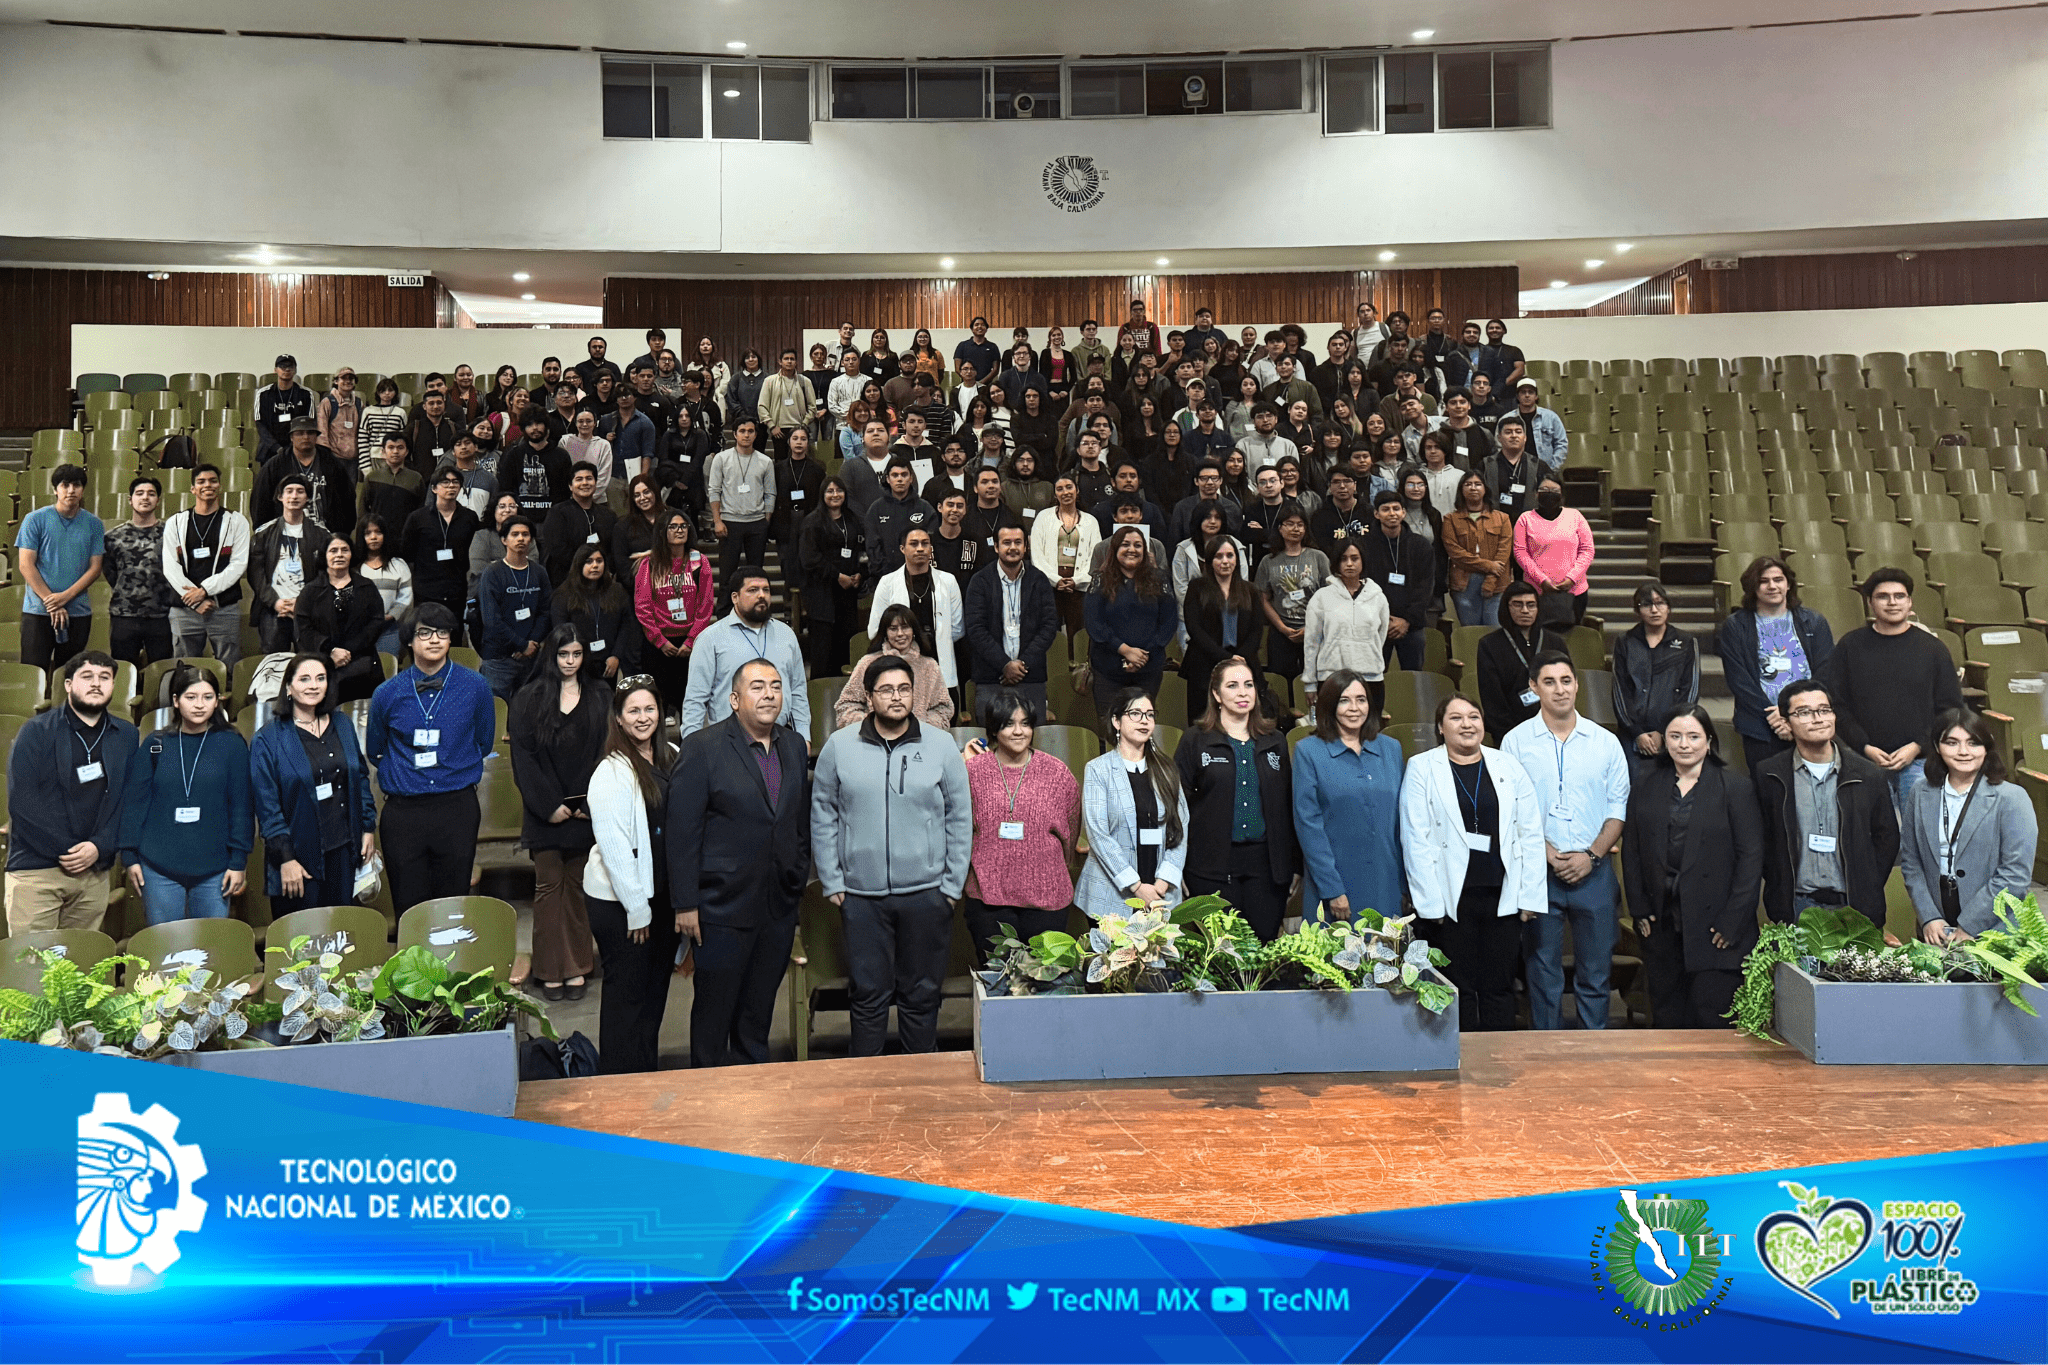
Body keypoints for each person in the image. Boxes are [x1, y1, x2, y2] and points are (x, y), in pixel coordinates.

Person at [811, 651, 973, 1055]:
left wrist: (951, 886)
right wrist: (832, 878)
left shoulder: (940, 746)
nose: (896, 697)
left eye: (904, 689)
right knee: (867, 997)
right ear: (869, 697)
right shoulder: (839, 746)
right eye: (886, 690)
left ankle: (923, 1086)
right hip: (861, 897)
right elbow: (823, 813)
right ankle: (867, 1086)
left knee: (921, 997)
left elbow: (959, 816)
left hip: (926, 893)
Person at [659, 658, 811, 1068]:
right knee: (713, 1016)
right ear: (734, 699)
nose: (769, 695)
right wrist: (685, 902)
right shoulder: (703, 748)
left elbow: (798, 823)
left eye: (776, 686)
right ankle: (709, 1105)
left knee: (757, 1015)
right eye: (758, 686)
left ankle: (753, 1101)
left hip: (777, 907)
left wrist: (796, 878)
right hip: (720, 908)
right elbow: (682, 832)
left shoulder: (794, 746)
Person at [1401, 692, 1547, 1031]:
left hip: (1503, 896)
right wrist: (1430, 904)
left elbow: (1530, 832)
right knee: (1458, 988)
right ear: (1440, 727)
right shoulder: (1422, 767)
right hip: (1451, 898)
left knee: (1499, 987)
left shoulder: (1507, 764)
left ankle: (1499, 1067)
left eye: (1474, 717)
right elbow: (1416, 839)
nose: (1466, 724)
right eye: (1456, 718)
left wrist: (1530, 896)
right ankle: (1460, 1064)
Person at [1502, 652, 1630, 1030]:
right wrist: (1545, 853)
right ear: (1533, 687)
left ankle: (1594, 1050)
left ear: (1576, 684)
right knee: (1542, 975)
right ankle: (1546, 1054)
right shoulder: (1515, 742)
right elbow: (1509, 809)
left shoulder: (1605, 743)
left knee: (1596, 972)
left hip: (1594, 871)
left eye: (1566, 680)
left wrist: (1591, 855)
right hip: (1539, 873)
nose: (1560, 689)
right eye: (1549, 682)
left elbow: (1617, 810)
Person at [1620, 706, 1765, 1030]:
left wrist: (1732, 922)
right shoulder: (1646, 784)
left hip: (1717, 929)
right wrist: (1639, 908)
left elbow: (1750, 860)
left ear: (1709, 740)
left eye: (1693, 736)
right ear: (1664, 741)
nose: (1684, 744)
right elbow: (1632, 849)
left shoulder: (1736, 788)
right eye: (1675, 736)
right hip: (1663, 924)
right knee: (1668, 1017)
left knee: (1710, 1016)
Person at [365, 603, 496, 914]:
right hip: (404, 812)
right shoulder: (387, 692)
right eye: (424, 632)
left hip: (457, 808)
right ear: (409, 640)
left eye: (442, 632)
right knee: (409, 908)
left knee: (452, 907)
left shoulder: (475, 686)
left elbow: (483, 740)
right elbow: (376, 750)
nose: (435, 639)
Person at [583, 678, 678, 1074]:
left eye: (649, 709)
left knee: (654, 995)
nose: (643, 718)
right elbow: (615, 847)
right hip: (620, 903)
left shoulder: (672, 754)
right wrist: (637, 909)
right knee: (627, 999)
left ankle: (645, 1078)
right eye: (633, 711)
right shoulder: (611, 772)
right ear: (619, 720)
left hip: (662, 895)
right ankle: (617, 1085)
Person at [509, 626, 609, 1002]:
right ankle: (552, 970)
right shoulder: (529, 697)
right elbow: (524, 759)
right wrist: (548, 806)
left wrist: (588, 803)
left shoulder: (600, 695)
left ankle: (579, 966)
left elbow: (605, 752)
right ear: (551, 656)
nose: (570, 662)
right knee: (549, 889)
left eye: (576, 655)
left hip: (586, 810)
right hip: (544, 812)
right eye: (563, 655)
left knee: (580, 890)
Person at [4, 652, 135, 933]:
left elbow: (127, 800)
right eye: (87, 677)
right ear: (67, 685)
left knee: (81, 967)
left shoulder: (126, 735)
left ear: (113, 685)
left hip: (94, 874)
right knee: (31, 970)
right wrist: (70, 852)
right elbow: (22, 802)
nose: (96, 684)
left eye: (104, 678)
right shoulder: (36, 731)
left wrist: (99, 846)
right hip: (37, 871)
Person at [1756, 677, 1900, 928]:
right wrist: (1779, 882)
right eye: (1804, 712)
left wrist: (1866, 884)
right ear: (1786, 721)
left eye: (1824, 710)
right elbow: (1762, 839)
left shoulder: (1867, 774)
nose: (1818, 718)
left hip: (1855, 906)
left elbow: (1887, 838)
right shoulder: (1769, 774)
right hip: (1796, 905)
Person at [110, 662, 248, 924]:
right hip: (158, 866)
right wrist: (129, 856)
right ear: (176, 700)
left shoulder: (232, 744)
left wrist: (238, 860)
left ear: (218, 701)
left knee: (211, 950)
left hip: (215, 867)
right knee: (166, 949)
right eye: (191, 697)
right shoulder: (156, 744)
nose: (199, 705)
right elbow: (135, 802)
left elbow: (240, 806)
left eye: (208, 697)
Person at [1175, 657, 1298, 942]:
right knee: (1220, 959)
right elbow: (1175, 806)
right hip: (1210, 867)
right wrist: (1175, 864)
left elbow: (1287, 806)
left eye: (1248, 685)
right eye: (1232, 686)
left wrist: (1294, 864)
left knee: (1262, 952)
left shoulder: (1275, 740)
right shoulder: (1195, 740)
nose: (1243, 693)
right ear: (1216, 694)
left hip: (1266, 868)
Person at [956, 688, 1081, 963]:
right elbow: (958, 829)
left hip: (1047, 895)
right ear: (993, 728)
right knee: (998, 983)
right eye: (1008, 724)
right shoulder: (972, 772)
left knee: (1044, 984)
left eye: (1025, 724)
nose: (1018, 731)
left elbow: (1070, 830)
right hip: (988, 898)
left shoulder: (1057, 772)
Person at [250, 652, 378, 918]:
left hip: (345, 849)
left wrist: (367, 828)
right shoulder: (268, 738)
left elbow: (361, 778)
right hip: (298, 856)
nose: (313, 685)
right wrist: (285, 858)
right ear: (288, 687)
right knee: (302, 946)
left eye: (320, 678)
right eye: (304, 679)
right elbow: (267, 807)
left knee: (342, 935)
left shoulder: (342, 723)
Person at [1825, 567, 1964, 809]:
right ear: (1870, 603)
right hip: (1863, 760)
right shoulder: (1850, 646)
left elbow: (1950, 708)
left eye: (1899, 596)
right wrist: (1864, 746)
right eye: (1883, 596)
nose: (1892, 603)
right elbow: (1836, 703)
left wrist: (1918, 746)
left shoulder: (1933, 649)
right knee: (1875, 839)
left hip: (1920, 762)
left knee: (1922, 838)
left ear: (1909, 602)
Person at [1900, 707, 2038, 943]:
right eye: (1952, 743)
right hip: (1935, 929)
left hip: (1994, 928)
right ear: (1936, 747)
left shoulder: (2012, 798)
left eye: (1973, 743)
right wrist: (1929, 917)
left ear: (1986, 747)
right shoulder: (1920, 792)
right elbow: (1911, 862)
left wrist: (1970, 925)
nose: (1963, 751)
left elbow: (2015, 876)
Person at [1293, 669, 1405, 926]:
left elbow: (1402, 822)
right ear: (1329, 705)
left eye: (1361, 699)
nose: (1354, 708)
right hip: (1336, 884)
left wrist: (1405, 883)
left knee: (1386, 961)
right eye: (1344, 700)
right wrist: (1332, 889)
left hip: (1386, 880)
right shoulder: (1308, 752)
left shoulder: (1391, 749)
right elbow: (1308, 825)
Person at [1075, 687, 1190, 920]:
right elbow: (1098, 835)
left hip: (1160, 893)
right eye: (1135, 713)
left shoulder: (1166, 770)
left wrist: (1163, 881)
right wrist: (1137, 887)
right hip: (1111, 894)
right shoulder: (1099, 769)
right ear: (1116, 721)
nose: (1144, 720)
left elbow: (1181, 827)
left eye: (1149, 714)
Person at [1716, 556, 1836, 773]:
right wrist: (1776, 716)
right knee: (1768, 792)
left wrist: (1798, 714)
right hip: (1761, 724)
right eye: (1763, 581)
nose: (1772, 586)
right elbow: (1739, 680)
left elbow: (1825, 671)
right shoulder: (1736, 626)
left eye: (1778, 580)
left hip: (1810, 720)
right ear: (1753, 587)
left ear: (1788, 584)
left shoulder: (1814, 621)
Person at [681, 566, 810, 741]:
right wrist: (691, 745)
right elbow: (695, 699)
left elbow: (797, 691)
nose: (761, 595)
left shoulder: (785, 634)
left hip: (780, 739)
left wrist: (804, 736)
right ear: (735, 597)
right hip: (729, 742)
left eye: (766, 590)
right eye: (753, 590)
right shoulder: (711, 639)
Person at [161, 463, 252, 667]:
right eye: (201, 482)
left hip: (223, 607)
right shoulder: (176, 522)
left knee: (229, 666)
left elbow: (238, 564)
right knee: (184, 667)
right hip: (184, 608)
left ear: (219, 486)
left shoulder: (236, 521)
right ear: (193, 489)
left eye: (212, 481)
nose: (207, 485)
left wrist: (205, 591)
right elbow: (170, 566)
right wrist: (195, 600)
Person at [1611, 582, 1702, 782]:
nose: (1654, 610)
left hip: (1674, 732)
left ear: (1668, 607)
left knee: (1672, 790)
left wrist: (1664, 730)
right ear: (1637, 609)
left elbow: (1690, 692)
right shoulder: (1625, 641)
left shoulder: (1686, 642)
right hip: (1632, 732)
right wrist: (1637, 733)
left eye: (1660, 603)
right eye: (1646, 604)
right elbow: (1620, 691)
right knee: (1632, 791)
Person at [963, 525, 1057, 718]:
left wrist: (1022, 664)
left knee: (1032, 742)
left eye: (1018, 542)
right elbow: (976, 629)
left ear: (1025, 547)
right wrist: (1005, 665)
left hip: (1031, 678)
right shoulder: (980, 581)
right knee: (991, 743)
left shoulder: (1039, 580)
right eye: (1006, 543)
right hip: (991, 678)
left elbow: (1049, 626)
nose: (1012, 547)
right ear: (996, 547)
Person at [1084, 527, 1179, 716]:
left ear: (1145, 551)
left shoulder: (1159, 579)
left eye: (1138, 545)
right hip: (1108, 670)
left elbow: (1169, 621)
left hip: (1148, 669)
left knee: (1141, 726)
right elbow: (1094, 622)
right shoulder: (1100, 580)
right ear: (1115, 549)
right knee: (1112, 728)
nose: (1132, 550)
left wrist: (1142, 655)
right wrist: (1125, 650)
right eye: (1125, 544)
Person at [17, 463, 104, 668]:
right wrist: (51, 602)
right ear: (55, 489)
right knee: (33, 672)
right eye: (65, 485)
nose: (71, 490)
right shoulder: (34, 519)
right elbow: (25, 565)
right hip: (38, 612)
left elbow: (95, 568)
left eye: (76, 485)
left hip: (78, 611)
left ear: (83, 490)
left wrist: (64, 597)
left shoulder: (94, 524)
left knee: (70, 677)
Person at [867, 527, 962, 709]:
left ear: (931, 548)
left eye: (925, 544)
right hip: (900, 668)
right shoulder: (888, 583)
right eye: (914, 544)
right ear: (902, 549)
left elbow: (957, 628)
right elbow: (874, 630)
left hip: (939, 666)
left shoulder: (948, 581)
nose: (920, 549)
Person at [1178, 536, 1264, 729]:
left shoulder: (1250, 590)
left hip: (1244, 664)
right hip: (1203, 666)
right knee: (1204, 726)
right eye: (1219, 556)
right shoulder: (1197, 587)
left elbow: (1256, 630)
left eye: (1230, 556)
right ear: (1210, 561)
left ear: (1237, 559)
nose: (1225, 561)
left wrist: (1239, 658)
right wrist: (1226, 658)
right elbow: (1194, 628)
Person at [633, 509, 714, 710]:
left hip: (690, 644)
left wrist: (691, 640)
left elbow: (705, 604)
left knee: (689, 704)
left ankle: (688, 742)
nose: (679, 530)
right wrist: (660, 641)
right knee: (657, 704)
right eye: (673, 526)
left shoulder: (699, 561)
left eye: (683, 526)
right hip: (659, 644)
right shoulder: (650, 563)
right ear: (663, 531)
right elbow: (642, 606)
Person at [295, 530, 386, 702]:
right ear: (325, 555)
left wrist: (348, 651)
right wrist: (331, 651)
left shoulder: (367, 587)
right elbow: (303, 629)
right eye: (333, 550)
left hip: (362, 667)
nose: (339, 555)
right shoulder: (310, 591)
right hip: (322, 666)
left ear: (352, 554)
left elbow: (376, 623)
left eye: (345, 550)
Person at [1301, 540, 1389, 713]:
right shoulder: (1322, 597)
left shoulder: (1378, 597)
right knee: (1333, 734)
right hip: (1332, 678)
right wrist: (1310, 683)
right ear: (1336, 563)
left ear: (1363, 561)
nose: (1349, 564)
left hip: (1370, 678)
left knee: (1368, 735)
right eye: (1344, 559)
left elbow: (1380, 636)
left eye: (1354, 558)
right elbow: (1312, 642)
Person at [836, 604, 954, 732]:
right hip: (874, 742)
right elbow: (846, 705)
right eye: (893, 628)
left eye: (905, 627)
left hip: (919, 742)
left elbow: (943, 708)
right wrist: (872, 726)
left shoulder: (930, 666)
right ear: (885, 632)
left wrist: (920, 728)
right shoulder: (867, 663)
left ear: (914, 630)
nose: (900, 634)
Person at [1475, 582, 1567, 741]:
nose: (1525, 610)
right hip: (1509, 733)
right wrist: (1512, 736)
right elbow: (1492, 700)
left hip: (1554, 729)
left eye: (1531, 605)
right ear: (1506, 607)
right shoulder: (1489, 645)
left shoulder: (1555, 642)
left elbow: (1566, 686)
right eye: (1517, 604)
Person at [102, 475, 177, 667]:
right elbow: (110, 572)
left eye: (151, 494)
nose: (145, 498)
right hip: (124, 614)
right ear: (130, 499)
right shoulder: (112, 537)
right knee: (123, 672)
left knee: (162, 672)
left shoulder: (171, 533)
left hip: (162, 615)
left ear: (158, 501)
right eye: (139, 493)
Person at [248, 474, 327, 655]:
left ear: (307, 498)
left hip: (309, 611)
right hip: (273, 609)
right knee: (274, 664)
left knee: (310, 663)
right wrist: (274, 602)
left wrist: (303, 603)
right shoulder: (264, 533)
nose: (294, 496)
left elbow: (325, 574)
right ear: (280, 497)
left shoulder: (321, 534)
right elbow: (256, 575)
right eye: (289, 491)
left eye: (300, 492)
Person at [476, 516, 552, 701]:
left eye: (525, 535)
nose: (521, 539)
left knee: (527, 710)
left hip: (530, 657)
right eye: (515, 534)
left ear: (532, 540)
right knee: (495, 710)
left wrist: (532, 642)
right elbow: (491, 620)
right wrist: (521, 644)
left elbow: (545, 611)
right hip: (499, 658)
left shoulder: (539, 572)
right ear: (504, 540)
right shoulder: (492, 573)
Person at [402, 467, 482, 641]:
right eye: (445, 482)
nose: (451, 486)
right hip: (426, 589)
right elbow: (408, 553)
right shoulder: (417, 518)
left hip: (457, 588)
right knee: (427, 637)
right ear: (434, 488)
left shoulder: (469, 517)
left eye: (455, 482)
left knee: (453, 637)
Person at [798, 476, 866, 679]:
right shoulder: (812, 522)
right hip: (822, 597)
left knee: (845, 650)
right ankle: (820, 700)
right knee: (823, 654)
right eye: (830, 491)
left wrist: (861, 574)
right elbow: (809, 559)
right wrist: (837, 576)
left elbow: (862, 551)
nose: (835, 495)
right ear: (822, 494)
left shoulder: (853, 520)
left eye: (839, 490)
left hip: (847, 597)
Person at [1031, 473, 1100, 669]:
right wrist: (1056, 580)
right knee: (1048, 632)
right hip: (1049, 586)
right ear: (1055, 494)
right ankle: (1052, 674)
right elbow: (1037, 556)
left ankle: (1079, 674)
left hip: (1079, 588)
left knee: (1078, 634)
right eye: (1060, 489)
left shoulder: (1090, 521)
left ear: (1077, 491)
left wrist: (1077, 580)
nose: (1065, 492)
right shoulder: (1043, 518)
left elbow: (1095, 558)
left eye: (1069, 487)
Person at [1361, 489, 1433, 672]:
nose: (1392, 513)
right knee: (1372, 677)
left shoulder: (1420, 545)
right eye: (1386, 509)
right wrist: (1383, 620)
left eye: (1396, 508)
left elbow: (1425, 587)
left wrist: (1407, 620)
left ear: (1404, 512)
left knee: (1414, 676)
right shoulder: (1363, 546)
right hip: (1374, 623)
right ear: (1376, 514)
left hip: (1410, 624)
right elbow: (1361, 585)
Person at [1512, 475, 1594, 627]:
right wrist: (1541, 580)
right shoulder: (1525, 519)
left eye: (1554, 490)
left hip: (1574, 591)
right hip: (1536, 592)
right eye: (1544, 489)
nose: (1549, 493)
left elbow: (1587, 550)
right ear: (1536, 493)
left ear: (1561, 494)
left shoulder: (1575, 516)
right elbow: (1520, 552)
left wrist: (1572, 578)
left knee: (1571, 638)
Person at [551, 544, 636, 684]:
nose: (595, 565)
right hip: (577, 663)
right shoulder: (564, 594)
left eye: (599, 561)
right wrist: (577, 658)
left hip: (608, 662)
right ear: (579, 564)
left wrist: (616, 655)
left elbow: (626, 624)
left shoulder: (616, 591)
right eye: (589, 561)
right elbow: (561, 630)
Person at [255, 417, 355, 533]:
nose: (306, 437)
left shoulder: (332, 465)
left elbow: (348, 502)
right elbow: (260, 505)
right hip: (285, 538)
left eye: (310, 433)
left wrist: (341, 535)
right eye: (300, 433)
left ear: (316, 437)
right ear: (292, 437)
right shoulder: (274, 466)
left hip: (326, 538)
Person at [1444, 469, 1513, 628]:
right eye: (1468, 484)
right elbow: (1456, 553)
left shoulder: (1502, 518)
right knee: (1470, 632)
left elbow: (1503, 553)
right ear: (1461, 489)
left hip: (1497, 583)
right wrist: (1488, 566)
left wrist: (1490, 579)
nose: (1473, 488)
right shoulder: (1450, 519)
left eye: (1477, 484)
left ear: (1485, 489)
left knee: (1494, 631)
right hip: (1464, 584)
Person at [540, 461, 618, 587]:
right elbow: (557, 549)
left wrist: (603, 569)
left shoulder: (609, 515)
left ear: (596, 483)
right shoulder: (558, 513)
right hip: (568, 581)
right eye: (579, 479)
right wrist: (585, 567)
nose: (585, 483)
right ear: (571, 486)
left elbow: (614, 548)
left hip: (601, 582)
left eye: (589, 478)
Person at [352, 514, 413, 660]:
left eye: (378, 532)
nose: (374, 537)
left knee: (387, 668)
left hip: (390, 630)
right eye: (368, 533)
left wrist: (391, 615)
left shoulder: (398, 565)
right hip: (360, 630)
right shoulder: (354, 569)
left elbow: (406, 596)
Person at [359, 430, 426, 528]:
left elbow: (421, 511)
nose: (395, 451)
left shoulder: (416, 478)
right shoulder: (372, 477)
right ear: (383, 451)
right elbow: (362, 510)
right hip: (378, 534)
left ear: (407, 451)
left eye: (400, 448)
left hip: (406, 535)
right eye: (391, 447)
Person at [254, 355, 315, 458]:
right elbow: (260, 424)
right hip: (269, 450)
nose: (286, 369)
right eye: (282, 366)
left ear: (295, 370)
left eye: (290, 366)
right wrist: (276, 447)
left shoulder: (306, 394)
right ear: (275, 370)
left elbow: (308, 423)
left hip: (296, 451)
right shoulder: (263, 394)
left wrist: (293, 447)